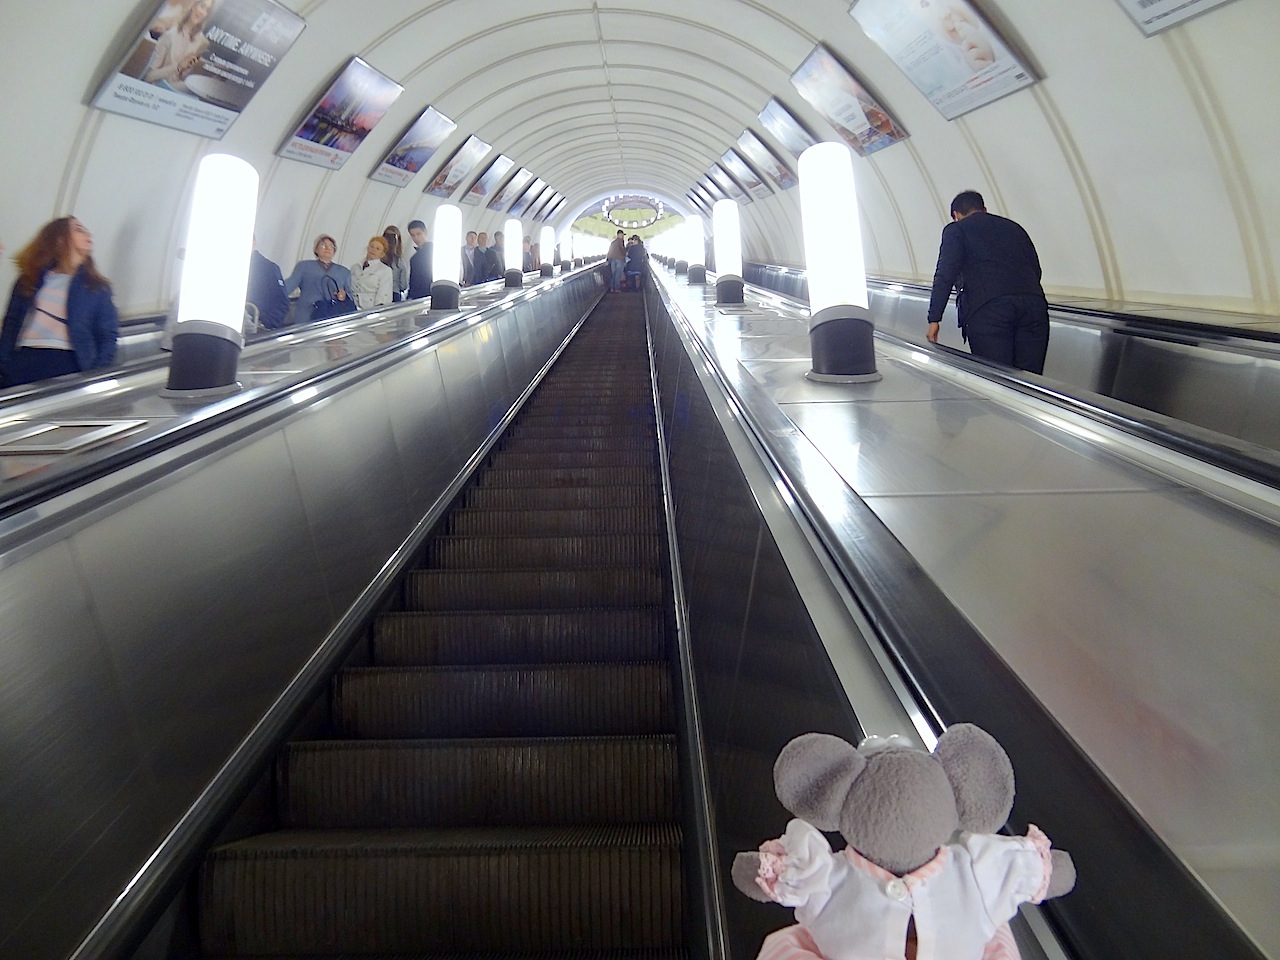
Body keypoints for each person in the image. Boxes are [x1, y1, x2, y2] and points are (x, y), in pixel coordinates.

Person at [925, 190, 1050, 375]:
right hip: (1034, 307)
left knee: (996, 379)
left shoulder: (956, 230)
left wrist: (934, 318)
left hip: (988, 311)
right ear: (984, 209)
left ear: (956, 215)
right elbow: (1035, 268)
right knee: (1030, 382)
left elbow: (945, 274)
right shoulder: (1014, 227)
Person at [1, 217, 118, 387]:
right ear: (60, 239)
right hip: (25, 358)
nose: (88, 234)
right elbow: (11, 323)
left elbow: (108, 335)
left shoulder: (97, 287)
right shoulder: (29, 279)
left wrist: (96, 372)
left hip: (70, 362)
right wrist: (5, 362)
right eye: (78, 229)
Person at [144, 0, 214, 94]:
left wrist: (187, 69)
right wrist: (178, 66)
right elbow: (148, 76)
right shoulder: (170, 35)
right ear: (194, 5)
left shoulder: (201, 42)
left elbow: (183, 78)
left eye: (207, 10)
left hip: (177, 91)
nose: (202, 12)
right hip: (158, 88)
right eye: (202, 6)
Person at [283, 234, 354, 323]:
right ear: (316, 249)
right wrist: (274, 290)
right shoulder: (304, 266)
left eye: (331, 246)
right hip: (307, 314)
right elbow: (290, 285)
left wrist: (344, 295)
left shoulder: (344, 271)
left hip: (332, 315)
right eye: (323, 245)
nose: (328, 248)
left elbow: (350, 295)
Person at [246, 239, 290, 330]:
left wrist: (268, 323)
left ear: (254, 243)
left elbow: (282, 300)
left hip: (258, 325)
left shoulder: (269, 268)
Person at [350, 236, 394, 310]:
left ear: (382, 254)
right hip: (353, 307)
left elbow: (383, 293)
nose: (373, 250)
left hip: (370, 308)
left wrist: (378, 311)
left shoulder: (385, 270)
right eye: (372, 246)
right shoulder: (355, 267)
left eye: (378, 249)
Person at [406, 219, 433, 299]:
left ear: (425, 232)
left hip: (430, 295)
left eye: (418, 234)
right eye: (413, 235)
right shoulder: (414, 258)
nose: (416, 238)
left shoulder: (435, 252)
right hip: (421, 296)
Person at [381, 225, 409, 301]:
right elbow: (404, 285)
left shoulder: (377, 259)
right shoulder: (399, 261)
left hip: (379, 295)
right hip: (395, 294)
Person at [606, 229, 626, 293]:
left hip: (612, 260)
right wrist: (626, 253)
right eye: (622, 235)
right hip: (619, 260)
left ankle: (612, 288)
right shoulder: (620, 241)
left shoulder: (613, 242)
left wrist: (608, 259)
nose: (623, 236)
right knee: (618, 274)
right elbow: (622, 250)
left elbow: (609, 251)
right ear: (619, 235)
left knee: (613, 274)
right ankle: (617, 289)